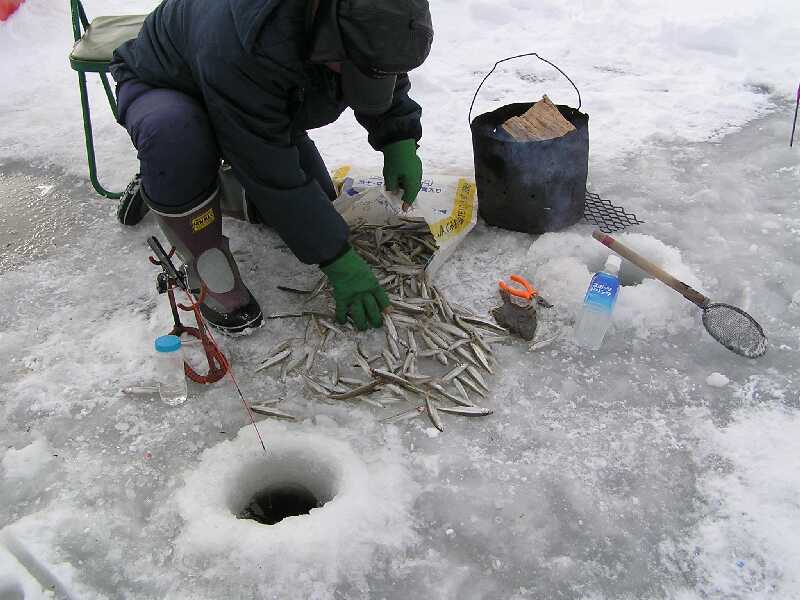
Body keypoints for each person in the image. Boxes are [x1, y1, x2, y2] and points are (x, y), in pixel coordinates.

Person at [110, 0, 433, 334]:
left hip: (252, 98)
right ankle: (189, 222)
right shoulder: (251, 39)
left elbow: (377, 55)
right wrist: (338, 262)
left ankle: (194, 187)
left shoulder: (358, 17)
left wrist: (398, 136)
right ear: (330, 36)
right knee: (177, 136)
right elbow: (267, 164)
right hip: (168, 86)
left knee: (318, 204)